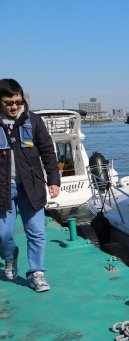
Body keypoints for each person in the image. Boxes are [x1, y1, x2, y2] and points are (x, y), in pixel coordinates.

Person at [0, 78, 60, 292]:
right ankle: (9, 256)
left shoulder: (33, 121)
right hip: (3, 189)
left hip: (31, 187)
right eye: (8, 102)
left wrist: (53, 180)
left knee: (36, 232)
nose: (14, 106)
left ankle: (37, 273)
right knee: (3, 234)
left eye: (17, 101)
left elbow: (48, 152)